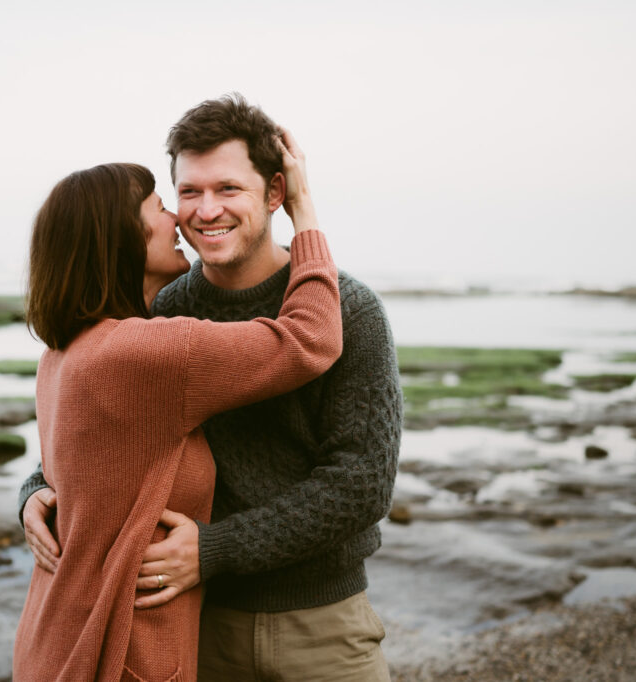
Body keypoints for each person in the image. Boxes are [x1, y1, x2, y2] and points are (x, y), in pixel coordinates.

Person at [21, 95, 402, 681]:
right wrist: (36, 489)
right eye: (188, 193)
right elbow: (102, 429)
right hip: (197, 624)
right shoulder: (163, 311)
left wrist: (215, 548)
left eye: (228, 189)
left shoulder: (349, 309)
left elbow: (363, 484)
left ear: (275, 193)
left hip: (321, 626)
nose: (202, 211)